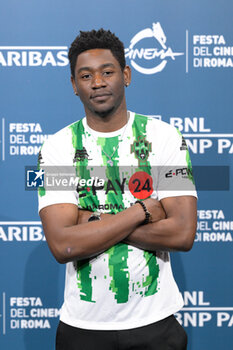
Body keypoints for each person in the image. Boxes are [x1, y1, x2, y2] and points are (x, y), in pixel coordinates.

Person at [38, 29, 197, 350]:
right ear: (74, 85)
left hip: (156, 324)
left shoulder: (166, 138)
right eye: (86, 75)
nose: (97, 82)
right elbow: (62, 246)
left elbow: (182, 234)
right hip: (83, 328)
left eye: (107, 72)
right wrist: (141, 212)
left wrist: (91, 222)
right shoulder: (56, 148)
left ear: (126, 75)